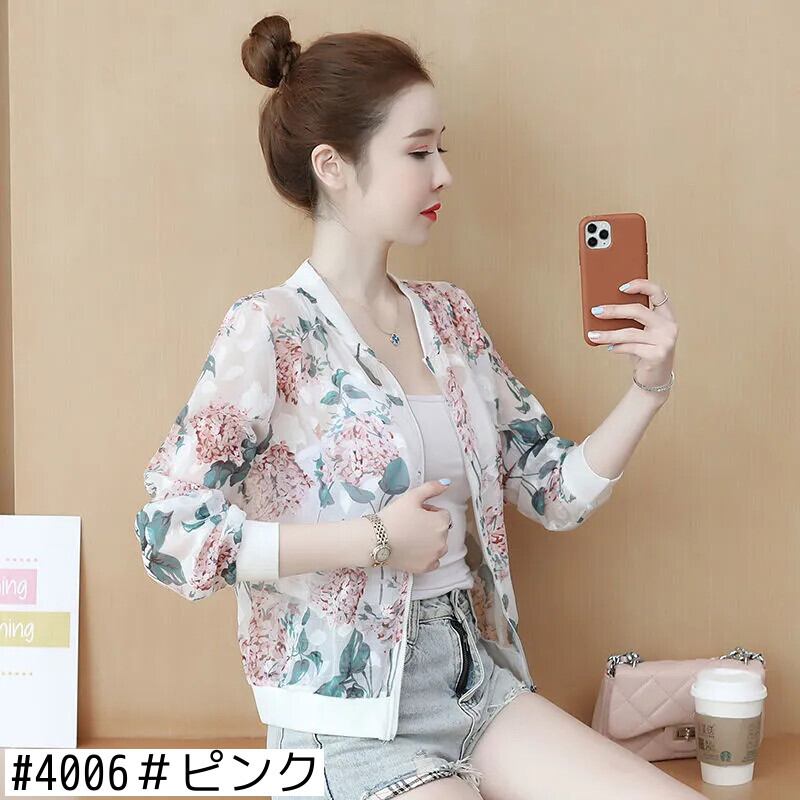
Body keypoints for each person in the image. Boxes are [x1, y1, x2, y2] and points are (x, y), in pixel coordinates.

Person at [135, 13, 693, 799]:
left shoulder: (450, 318)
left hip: (476, 682)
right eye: (419, 151)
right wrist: (373, 540)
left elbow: (555, 492)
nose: (444, 175)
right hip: (344, 719)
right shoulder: (269, 329)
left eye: (443, 149)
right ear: (333, 165)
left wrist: (650, 386)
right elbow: (170, 535)